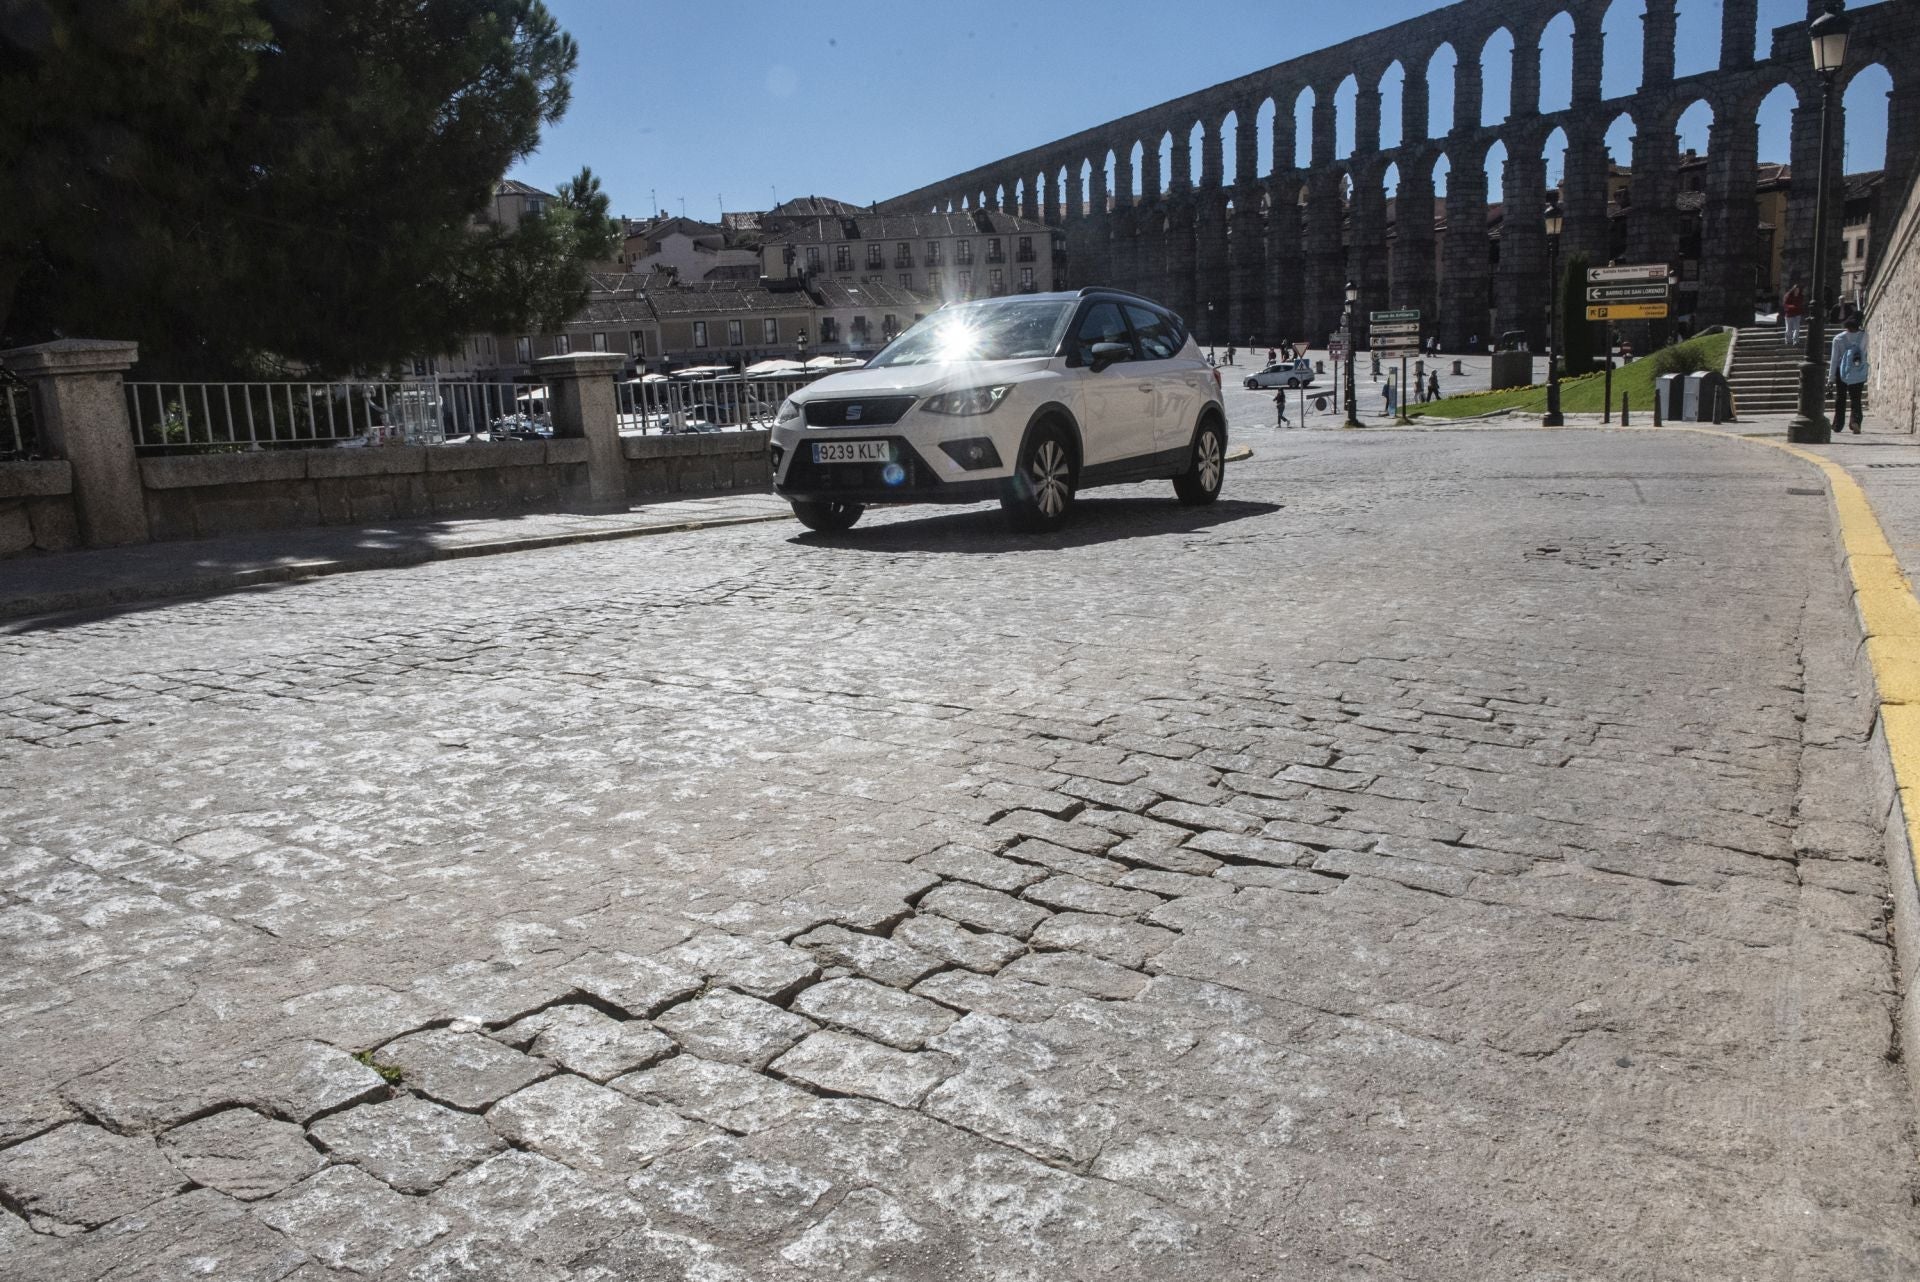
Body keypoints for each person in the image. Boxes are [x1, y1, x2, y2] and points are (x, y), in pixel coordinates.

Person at [1831, 314, 1869, 435]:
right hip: (1857, 370)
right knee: (1856, 398)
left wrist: (1831, 378)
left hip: (1841, 371)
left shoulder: (1838, 338)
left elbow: (1834, 359)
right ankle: (1855, 421)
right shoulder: (1864, 336)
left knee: (1841, 398)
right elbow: (1864, 352)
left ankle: (1837, 424)